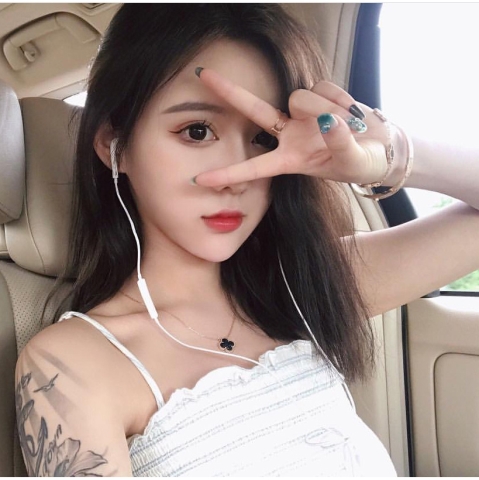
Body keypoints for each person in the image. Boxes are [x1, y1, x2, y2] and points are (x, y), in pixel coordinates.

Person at [14, 4, 479, 477]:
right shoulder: (74, 364)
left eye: (263, 139)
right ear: (114, 144)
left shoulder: (305, 283)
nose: (238, 176)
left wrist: (386, 155)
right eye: (197, 131)